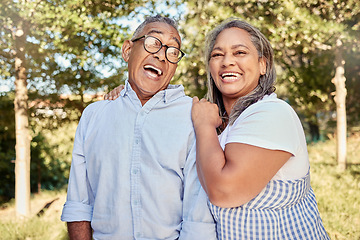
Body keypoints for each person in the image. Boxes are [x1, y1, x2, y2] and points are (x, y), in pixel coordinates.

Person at [61, 15, 217, 240]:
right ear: (127, 50)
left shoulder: (192, 115)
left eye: (173, 51)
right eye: (153, 42)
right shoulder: (94, 115)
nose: (161, 55)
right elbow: (79, 204)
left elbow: (197, 213)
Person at [191, 18, 330, 239]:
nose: (227, 61)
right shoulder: (222, 123)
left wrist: (203, 126)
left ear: (263, 65)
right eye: (217, 55)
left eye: (239, 52)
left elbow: (223, 191)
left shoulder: (273, 114)